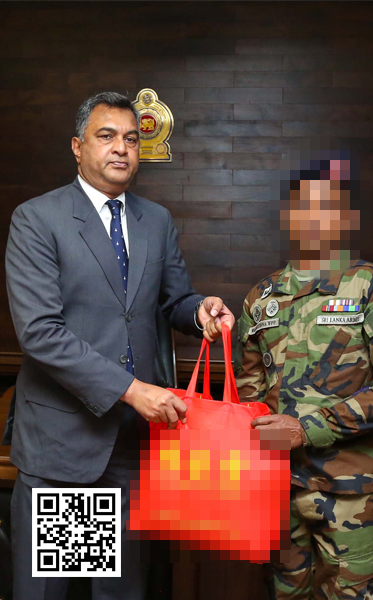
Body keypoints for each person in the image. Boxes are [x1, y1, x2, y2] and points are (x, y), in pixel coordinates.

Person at [5, 91, 235, 600]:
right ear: (77, 146)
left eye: (131, 139)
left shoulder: (155, 221)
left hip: (131, 445)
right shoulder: (38, 220)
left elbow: (170, 302)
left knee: (121, 593)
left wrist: (200, 312)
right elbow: (40, 332)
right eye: (106, 136)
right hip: (66, 443)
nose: (121, 149)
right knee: (50, 593)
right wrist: (133, 390)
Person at [233, 152, 373, 600]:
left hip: (349, 491)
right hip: (275, 491)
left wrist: (306, 428)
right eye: (302, 206)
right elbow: (248, 400)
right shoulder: (261, 297)